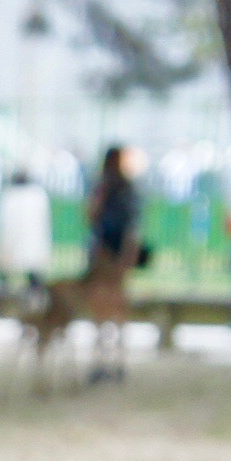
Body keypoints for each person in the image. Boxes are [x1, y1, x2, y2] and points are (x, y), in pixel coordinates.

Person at [82, 143, 144, 366]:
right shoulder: (103, 186)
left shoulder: (126, 189)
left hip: (115, 251)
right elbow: (91, 215)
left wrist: (128, 253)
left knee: (115, 304)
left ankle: (117, 359)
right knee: (101, 305)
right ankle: (102, 358)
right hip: (103, 251)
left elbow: (132, 224)